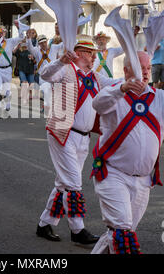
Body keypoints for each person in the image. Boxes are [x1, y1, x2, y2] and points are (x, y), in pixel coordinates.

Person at [90, 51, 164, 254]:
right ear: (126, 70)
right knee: (122, 228)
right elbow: (98, 104)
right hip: (113, 175)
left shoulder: (159, 97)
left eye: (148, 68)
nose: (145, 73)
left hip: (143, 181)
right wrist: (122, 88)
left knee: (119, 234)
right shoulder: (114, 92)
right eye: (140, 68)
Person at [35, 35, 119, 245]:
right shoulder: (65, 70)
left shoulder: (95, 77)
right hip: (63, 133)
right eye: (90, 53)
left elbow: (115, 84)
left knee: (64, 183)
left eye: (93, 54)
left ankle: (45, 223)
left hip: (83, 137)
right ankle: (77, 230)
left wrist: (131, 79)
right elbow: (45, 74)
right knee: (73, 183)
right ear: (80, 53)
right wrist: (61, 61)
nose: (93, 57)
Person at [0, 22, 23, 117]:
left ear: (3, 33)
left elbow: (21, 37)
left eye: (0, 33)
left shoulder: (10, 41)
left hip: (7, 69)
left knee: (7, 89)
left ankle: (7, 104)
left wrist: (18, 27)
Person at [13, 40, 35, 105]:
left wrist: (33, 58)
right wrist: (18, 46)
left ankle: (29, 95)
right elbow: (13, 52)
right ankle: (25, 98)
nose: (24, 45)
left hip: (30, 70)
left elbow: (35, 61)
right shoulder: (19, 52)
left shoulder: (31, 51)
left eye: (26, 44)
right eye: (23, 44)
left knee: (31, 84)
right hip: (21, 69)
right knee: (24, 83)